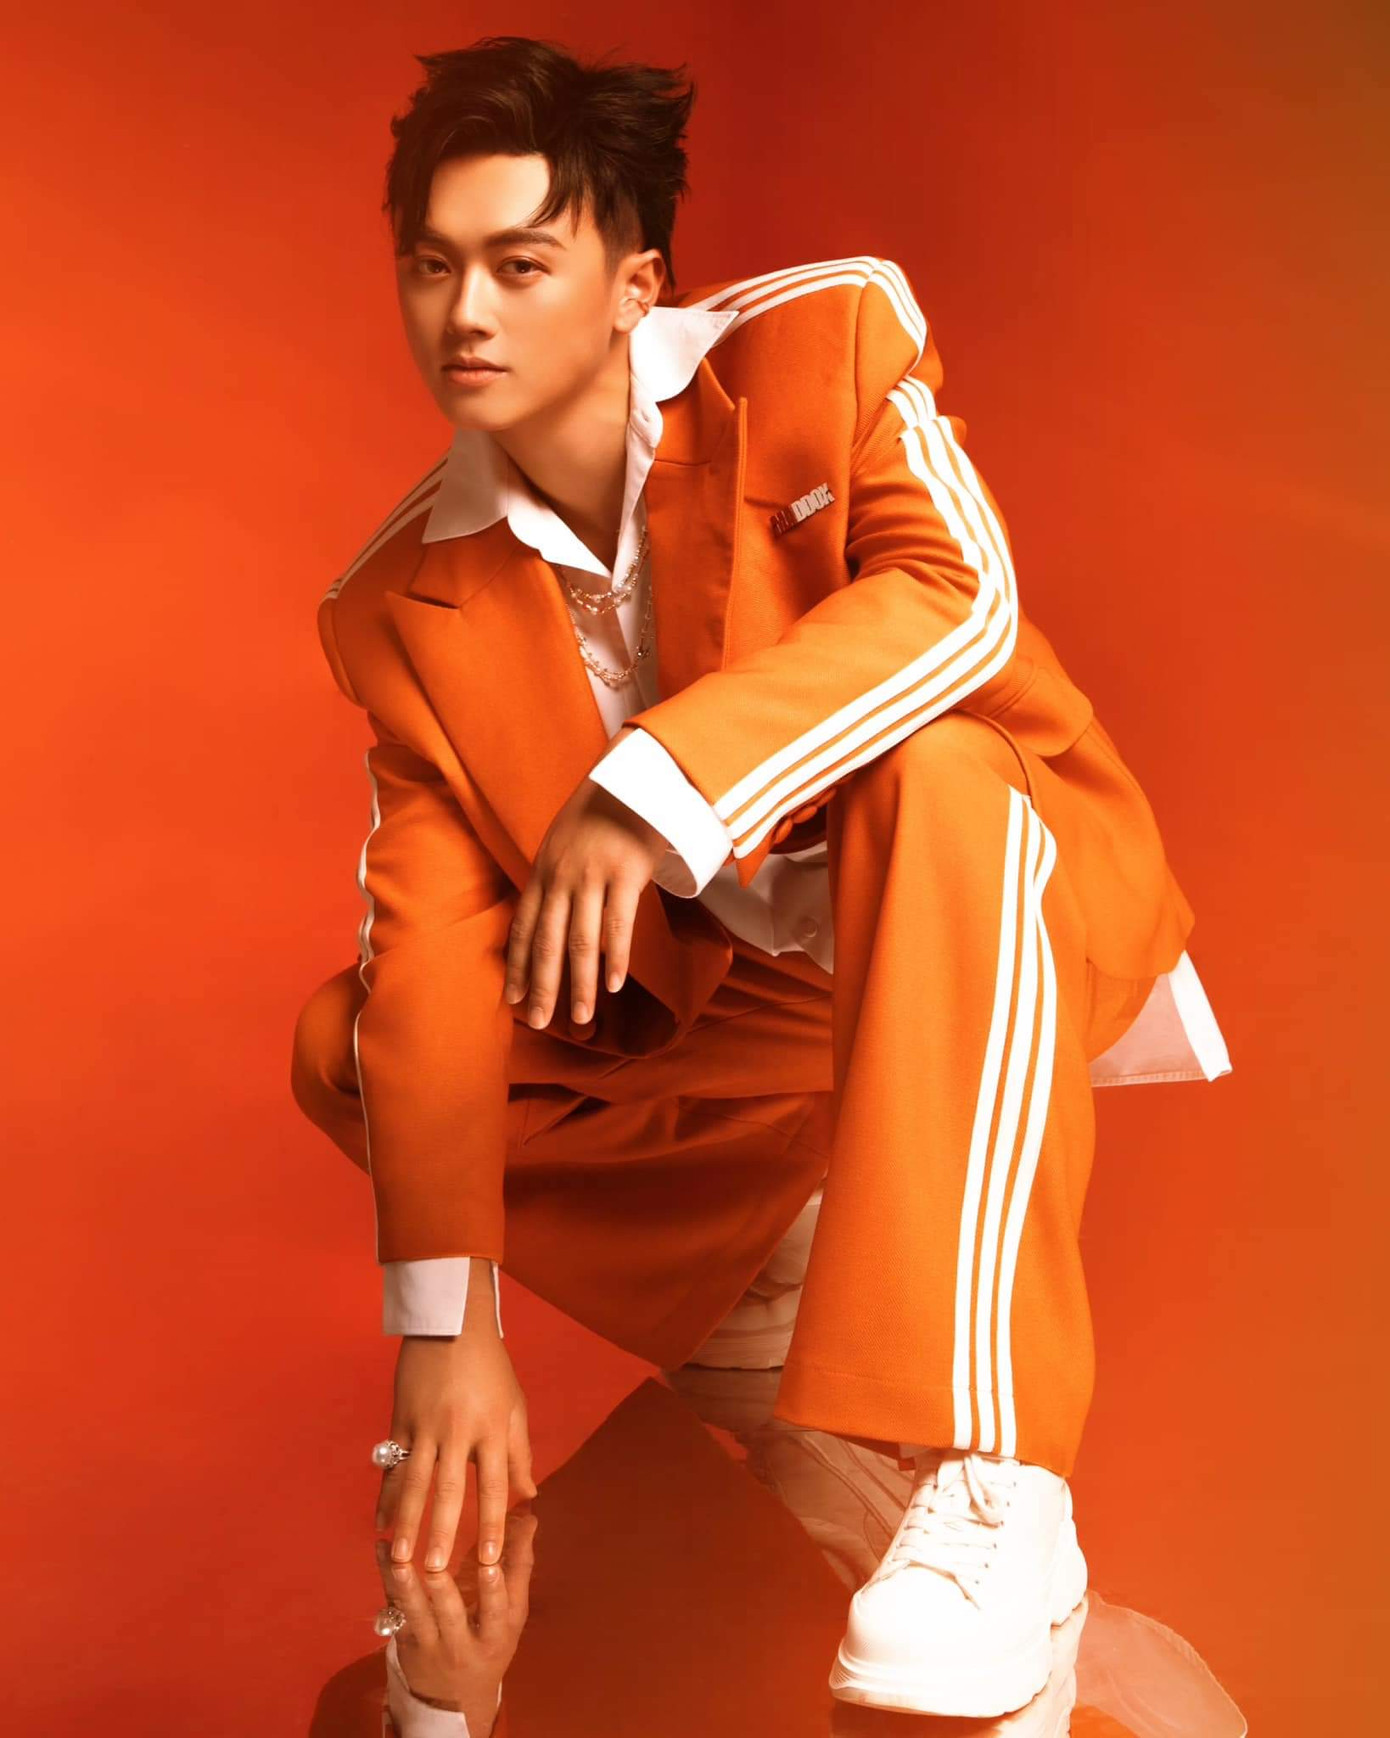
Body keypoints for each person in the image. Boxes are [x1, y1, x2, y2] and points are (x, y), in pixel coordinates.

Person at [290, 33, 1232, 1720]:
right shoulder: (400, 600)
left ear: (634, 284)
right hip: (742, 1033)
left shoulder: (821, 341)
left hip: (986, 908)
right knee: (352, 1033)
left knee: (940, 769)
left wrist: (649, 788)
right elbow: (429, 951)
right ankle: (775, 1312)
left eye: (519, 264)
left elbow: (957, 601)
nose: (465, 314)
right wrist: (448, 1330)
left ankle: (996, 1476)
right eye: (431, 267)